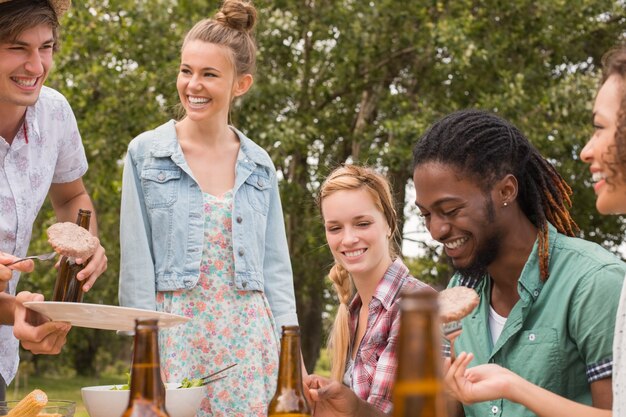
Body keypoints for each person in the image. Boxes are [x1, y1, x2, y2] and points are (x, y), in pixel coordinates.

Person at [118, 1, 298, 415]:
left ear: (241, 84)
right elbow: (137, 265)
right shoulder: (146, 154)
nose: (193, 85)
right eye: (186, 70)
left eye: (209, 74)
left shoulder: (259, 165)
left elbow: (276, 272)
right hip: (174, 341)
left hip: (251, 347)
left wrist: (294, 361)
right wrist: (140, 354)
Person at [444, 44, 626, 417]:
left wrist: (515, 387)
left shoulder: (596, 281)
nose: (586, 150)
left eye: (599, 127)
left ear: (506, 191)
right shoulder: (457, 295)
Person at [0, 0, 107, 401]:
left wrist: (88, 242)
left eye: (45, 48)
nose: (35, 66)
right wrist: (15, 311)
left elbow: (71, 195)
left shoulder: (55, 114)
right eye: (17, 47)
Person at [308, 164, 433, 413]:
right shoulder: (353, 312)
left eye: (362, 223)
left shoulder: (416, 306)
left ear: (389, 224)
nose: (348, 239)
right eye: (335, 228)